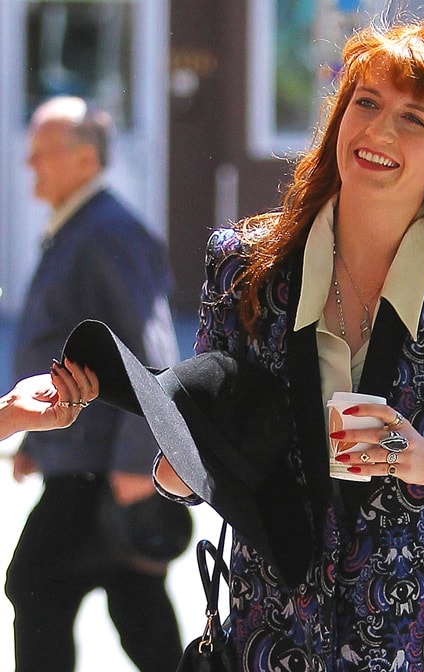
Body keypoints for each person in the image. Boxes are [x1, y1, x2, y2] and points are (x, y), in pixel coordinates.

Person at [0, 17, 424, 672]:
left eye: (412, 119)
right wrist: (179, 475)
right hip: (277, 649)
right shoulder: (244, 268)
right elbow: (212, 441)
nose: (377, 131)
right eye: (365, 103)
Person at [4, 96, 185, 672]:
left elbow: (150, 351)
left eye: (43, 154)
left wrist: (138, 462)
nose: (30, 165)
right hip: (84, 460)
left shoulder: (108, 233)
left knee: (35, 583)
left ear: (85, 160)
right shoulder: (80, 227)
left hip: (105, 467)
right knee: (135, 605)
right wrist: (36, 442)